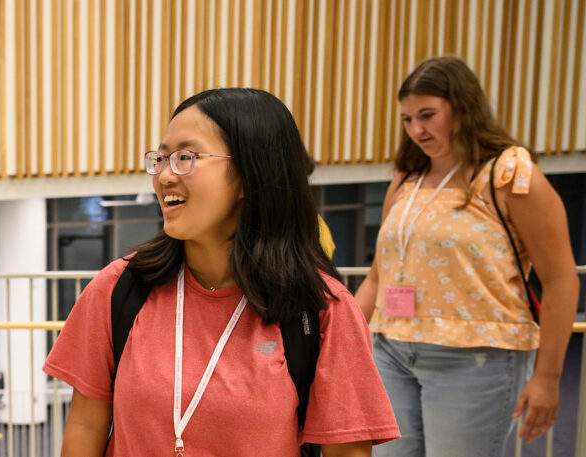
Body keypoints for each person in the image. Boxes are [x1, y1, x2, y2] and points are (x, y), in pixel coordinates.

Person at [44, 88, 400, 456]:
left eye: (185, 157)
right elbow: (86, 425)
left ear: (250, 173)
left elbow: (347, 451)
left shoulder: (321, 309)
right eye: (162, 158)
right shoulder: (119, 288)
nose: (165, 176)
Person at [357, 56, 579, 456]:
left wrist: (548, 376)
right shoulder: (405, 179)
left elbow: (562, 278)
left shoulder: (510, 176)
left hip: (476, 357)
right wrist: (344, 341)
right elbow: (377, 276)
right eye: (407, 119)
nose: (416, 130)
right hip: (391, 349)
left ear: (462, 108)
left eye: (427, 115)